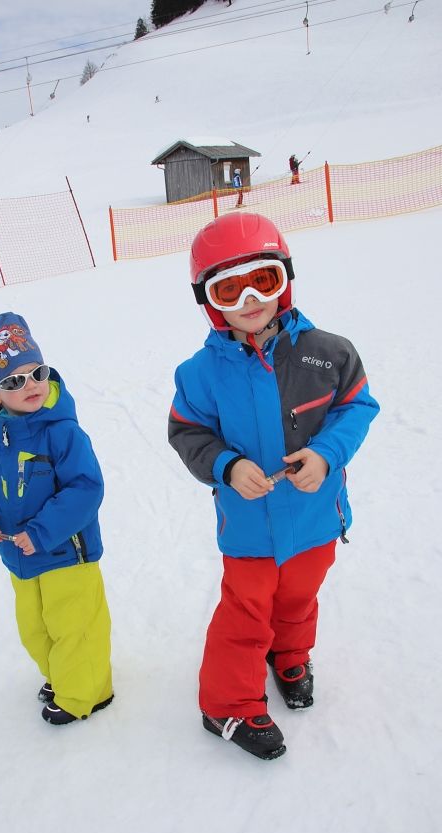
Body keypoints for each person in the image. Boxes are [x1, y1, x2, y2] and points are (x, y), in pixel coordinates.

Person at [168, 212, 379, 761]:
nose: (250, 300)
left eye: (263, 280)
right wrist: (226, 466)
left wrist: (327, 453)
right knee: (244, 613)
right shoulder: (199, 375)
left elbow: (357, 406)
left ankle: (289, 655)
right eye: (230, 289)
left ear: (284, 278)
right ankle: (228, 704)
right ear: (208, 299)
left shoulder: (328, 353)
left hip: (315, 516)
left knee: (300, 598)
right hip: (250, 527)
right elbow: (187, 432)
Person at [0, 312, 113, 726]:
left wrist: (42, 532)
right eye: (14, 381)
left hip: (65, 552)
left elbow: (86, 488)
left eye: (37, 373)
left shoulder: (63, 432)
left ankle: (84, 694)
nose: (31, 385)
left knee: (74, 627)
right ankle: (62, 677)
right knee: (35, 628)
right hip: (18, 557)